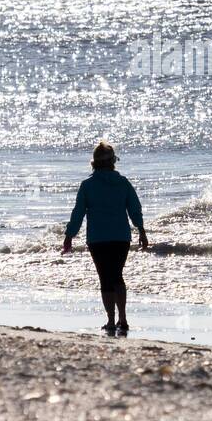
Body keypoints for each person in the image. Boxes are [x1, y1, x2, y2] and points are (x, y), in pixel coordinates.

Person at [62, 141, 148, 337]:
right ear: (112, 162)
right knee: (117, 275)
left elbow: (77, 213)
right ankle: (123, 319)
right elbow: (135, 208)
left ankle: (110, 320)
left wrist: (69, 235)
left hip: (98, 238)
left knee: (105, 278)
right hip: (120, 237)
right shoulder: (123, 182)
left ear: (93, 163)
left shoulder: (87, 185)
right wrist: (141, 230)